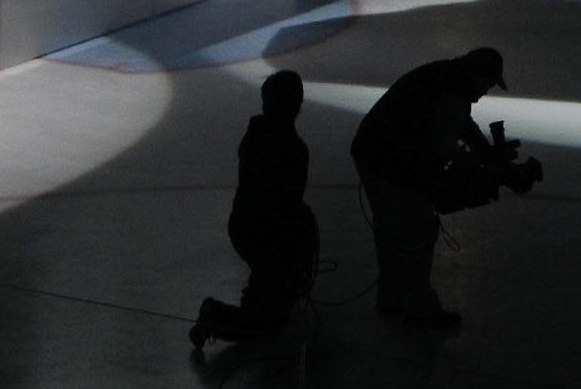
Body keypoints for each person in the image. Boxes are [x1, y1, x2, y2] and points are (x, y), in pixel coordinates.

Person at [349, 48, 507, 328]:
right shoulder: (452, 91)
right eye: (488, 85)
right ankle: (420, 307)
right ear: (478, 74)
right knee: (418, 229)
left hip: (373, 151)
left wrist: (484, 151)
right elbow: (443, 144)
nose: (485, 93)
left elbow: (461, 124)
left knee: (390, 229)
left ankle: (391, 297)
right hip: (386, 160)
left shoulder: (447, 77)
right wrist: (478, 164)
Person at [192, 72, 320, 349]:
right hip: (264, 233)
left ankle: (254, 298)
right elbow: (285, 202)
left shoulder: (256, 137)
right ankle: (217, 315)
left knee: (271, 297)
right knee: (266, 322)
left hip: (249, 228)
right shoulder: (290, 148)